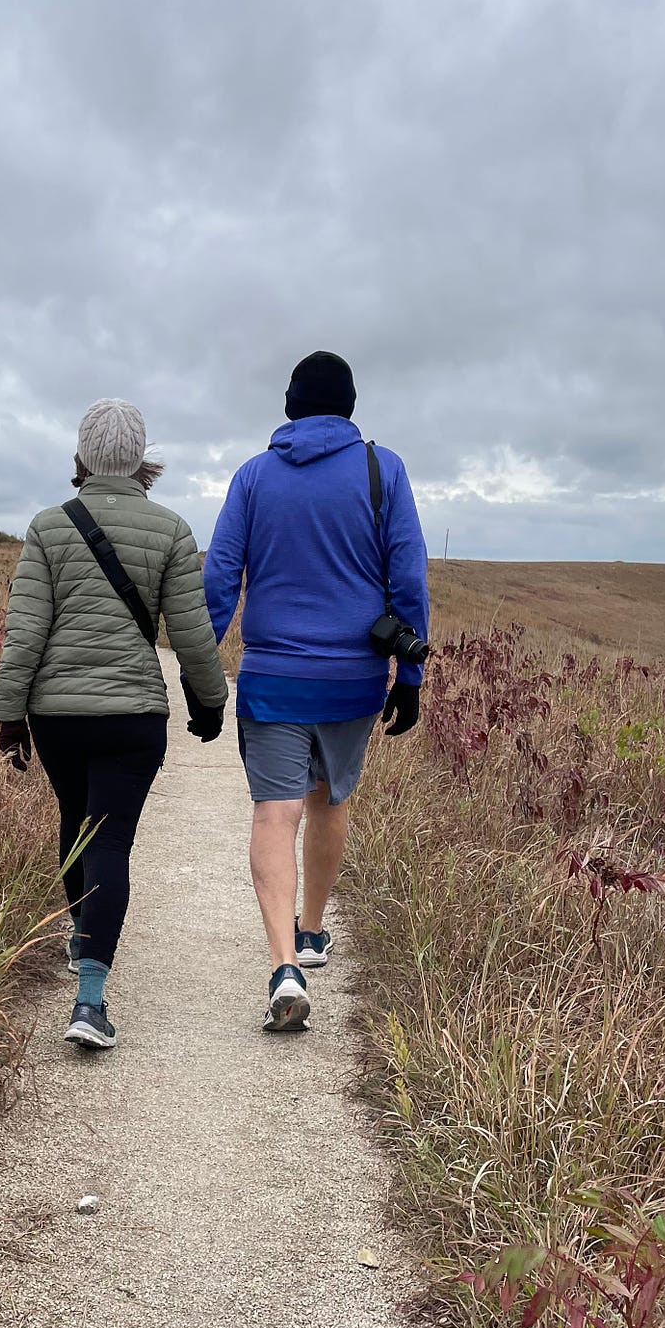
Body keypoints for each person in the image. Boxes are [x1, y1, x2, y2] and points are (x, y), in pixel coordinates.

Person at [203, 351, 429, 1033]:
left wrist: (198, 668)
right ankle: (311, 930)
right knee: (330, 797)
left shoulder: (252, 476)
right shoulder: (382, 469)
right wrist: (410, 677)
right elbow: (409, 577)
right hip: (354, 677)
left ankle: (283, 966)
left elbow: (219, 577)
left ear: (290, 406)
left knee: (274, 813)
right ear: (350, 407)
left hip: (271, 677)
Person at [0, 398, 228, 1050]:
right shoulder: (174, 531)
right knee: (109, 841)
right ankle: (90, 1001)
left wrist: (10, 714)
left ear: (82, 455)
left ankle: (80, 939)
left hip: (57, 716)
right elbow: (192, 634)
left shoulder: (47, 528)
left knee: (77, 822)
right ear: (141, 457)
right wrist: (209, 704)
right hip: (133, 716)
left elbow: (24, 634)